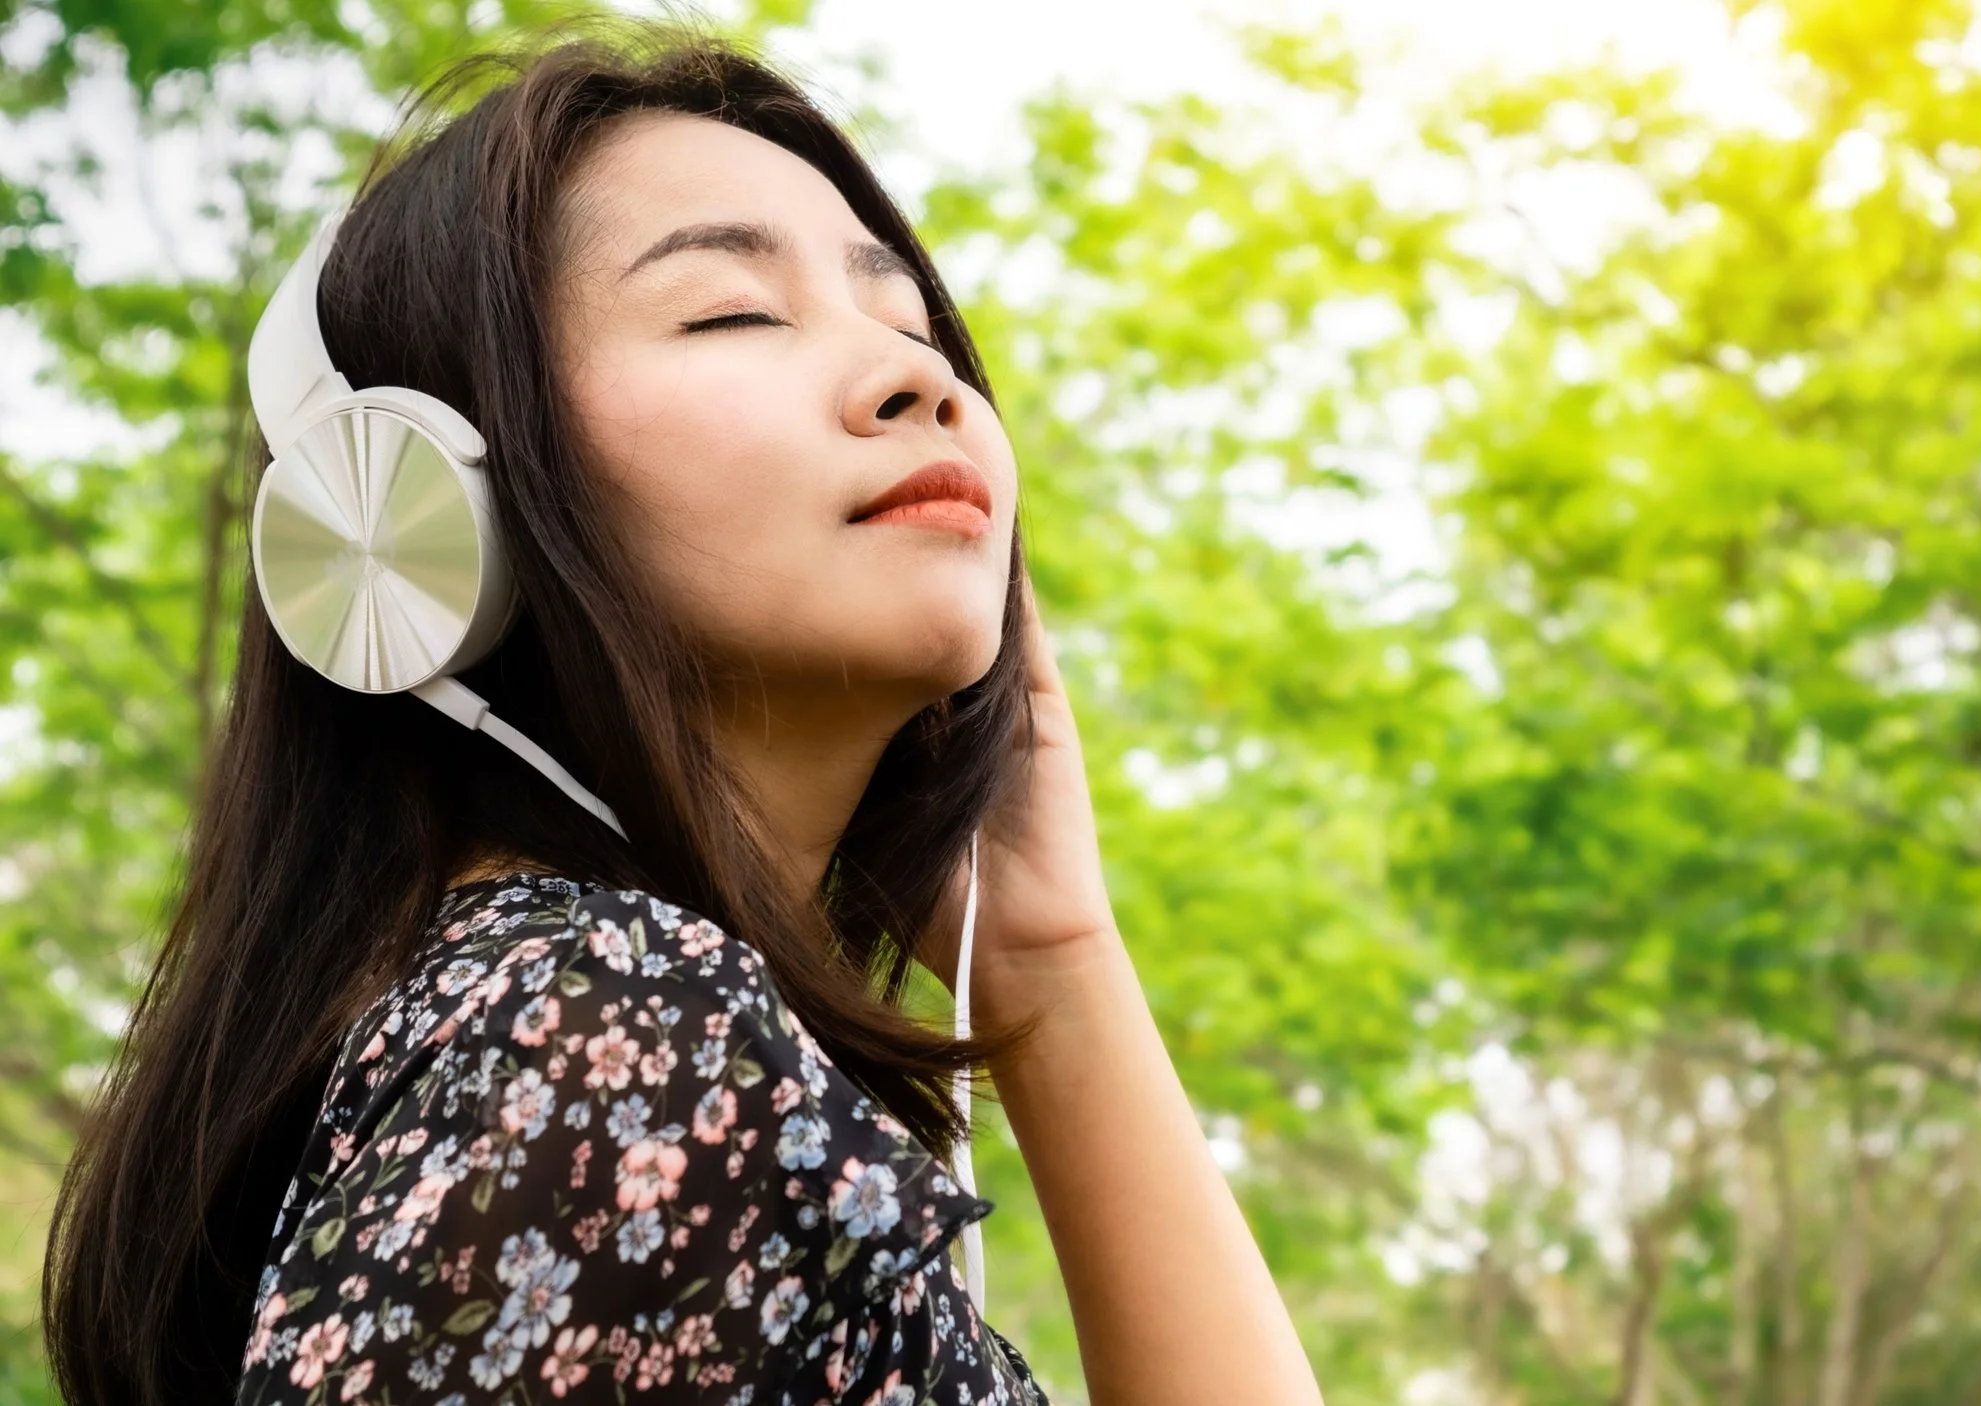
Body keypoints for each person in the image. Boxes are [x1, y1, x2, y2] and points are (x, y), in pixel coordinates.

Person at [40, 23, 1325, 1406]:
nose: (923, 380)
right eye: (732, 313)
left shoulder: (589, 1031)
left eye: (910, 325)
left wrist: (1050, 954)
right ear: (414, 507)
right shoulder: (619, 1030)